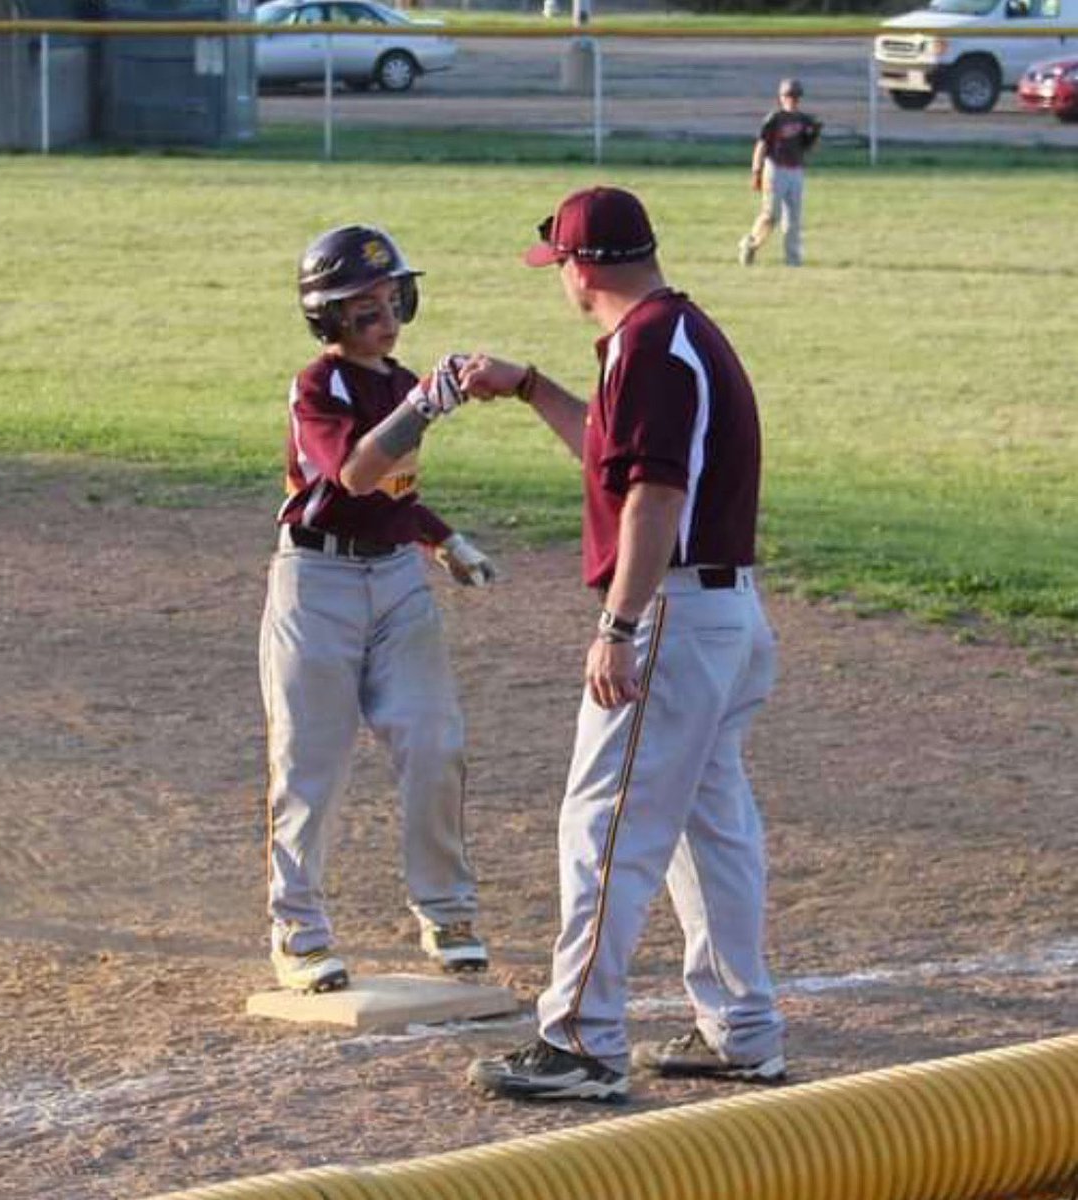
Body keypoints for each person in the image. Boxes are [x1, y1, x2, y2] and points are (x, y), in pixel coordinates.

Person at [461, 186, 786, 1102]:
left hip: (675, 613)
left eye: (558, 264)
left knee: (604, 826)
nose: (557, 279)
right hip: (719, 612)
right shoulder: (665, 333)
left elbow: (653, 499)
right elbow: (612, 454)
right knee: (706, 824)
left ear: (582, 266)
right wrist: (527, 386)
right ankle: (741, 1029)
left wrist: (620, 626)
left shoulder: (647, 349)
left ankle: (581, 1043)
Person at [260, 224, 493, 994]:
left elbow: (396, 495)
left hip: (395, 580)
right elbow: (356, 476)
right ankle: (297, 932)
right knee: (310, 763)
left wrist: (442, 538)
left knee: (433, 739)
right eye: (363, 311)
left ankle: (447, 910)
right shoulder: (317, 387)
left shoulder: (399, 385)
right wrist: (427, 405)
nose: (384, 321)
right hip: (316, 587)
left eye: (391, 301)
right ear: (328, 322)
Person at [738, 77, 822, 268]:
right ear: (781, 97)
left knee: (793, 219)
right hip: (775, 169)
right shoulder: (774, 119)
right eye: (788, 95)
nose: (792, 99)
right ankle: (750, 243)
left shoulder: (804, 120)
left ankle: (793, 260)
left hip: (795, 170)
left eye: (795, 96)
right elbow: (762, 145)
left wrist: (814, 135)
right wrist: (756, 172)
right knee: (771, 214)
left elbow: (809, 148)